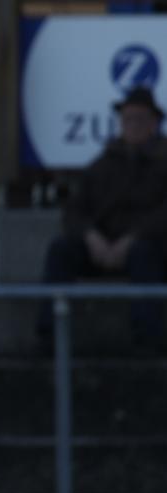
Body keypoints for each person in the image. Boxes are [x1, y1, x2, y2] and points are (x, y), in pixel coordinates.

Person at [37, 86, 167, 354]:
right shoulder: (103, 164)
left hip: (149, 247)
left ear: (154, 123)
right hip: (102, 245)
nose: (133, 126)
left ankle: (148, 340)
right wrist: (90, 235)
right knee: (61, 250)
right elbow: (74, 208)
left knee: (145, 255)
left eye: (139, 119)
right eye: (127, 119)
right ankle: (49, 336)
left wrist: (133, 238)